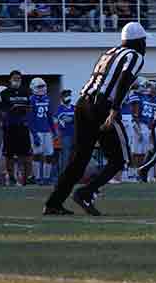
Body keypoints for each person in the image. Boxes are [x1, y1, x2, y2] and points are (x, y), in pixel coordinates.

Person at [44, 22, 148, 216]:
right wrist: (115, 109)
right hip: (102, 107)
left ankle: (53, 203)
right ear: (138, 41)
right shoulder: (135, 56)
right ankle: (86, 192)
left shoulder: (109, 52)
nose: (145, 45)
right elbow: (125, 79)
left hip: (83, 104)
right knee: (120, 158)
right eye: (143, 41)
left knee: (78, 159)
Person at [0, 70, 32, 186]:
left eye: (19, 78)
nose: (17, 80)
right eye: (15, 78)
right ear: (10, 79)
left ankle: (25, 178)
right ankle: (11, 177)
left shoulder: (25, 92)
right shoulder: (5, 93)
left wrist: (25, 110)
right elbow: (1, 110)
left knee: (25, 154)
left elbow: (30, 108)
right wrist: (9, 111)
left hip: (23, 126)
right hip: (10, 127)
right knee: (9, 155)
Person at [27, 77, 56, 184]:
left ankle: (47, 178)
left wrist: (53, 130)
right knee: (37, 154)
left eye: (43, 86)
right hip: (37, 130)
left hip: (47, 130)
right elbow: (30, 119)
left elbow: (49, 116)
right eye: (39, 86)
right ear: (33, 87)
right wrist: (34, 134)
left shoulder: (47, 99)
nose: (42, 88)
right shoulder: (31, 100)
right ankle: (38, 178)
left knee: (49, 154)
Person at [54, 89, 76, 179]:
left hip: (75, 134)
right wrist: (75, 118)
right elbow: (68, 119)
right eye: (66, 95)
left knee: (74, 155)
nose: (68, 97)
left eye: (69, 95)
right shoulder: (60, 109)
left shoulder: (74, 107)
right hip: (65, 135)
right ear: (62, 98)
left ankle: (73, 175)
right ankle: (63, 176)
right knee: (65, 156)